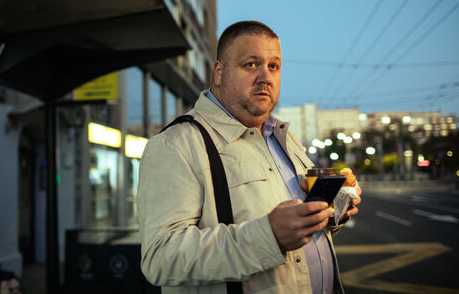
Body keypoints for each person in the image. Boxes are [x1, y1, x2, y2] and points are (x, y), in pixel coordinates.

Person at [137, 20, 361, 293]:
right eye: (251, 64)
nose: (265, 77)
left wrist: (332, 212)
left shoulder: (284, 138)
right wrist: (270, 236)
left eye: (273, 66)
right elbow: (160, 258)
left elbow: (301, 233)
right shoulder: (176, 144)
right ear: (219, 73)